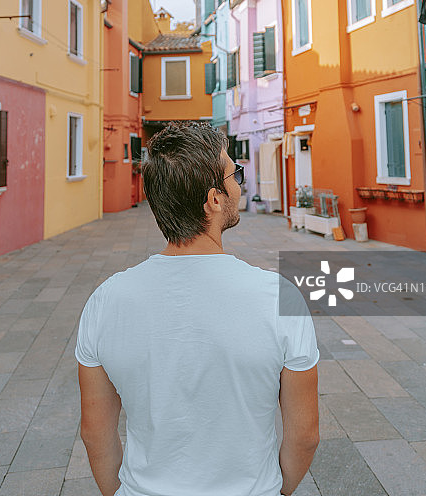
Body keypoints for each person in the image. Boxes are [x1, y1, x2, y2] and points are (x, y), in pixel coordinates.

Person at [76, 121, 319, 496]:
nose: (239, 183)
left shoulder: (105, 301)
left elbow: (95, 433)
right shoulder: (279, 298)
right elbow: (304, 436)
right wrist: (275, 490)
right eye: (233, 174)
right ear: (214, 200)